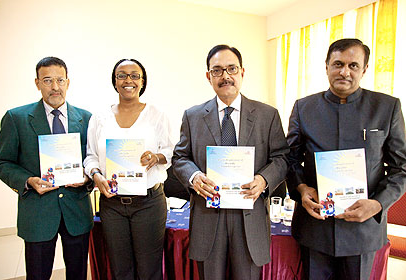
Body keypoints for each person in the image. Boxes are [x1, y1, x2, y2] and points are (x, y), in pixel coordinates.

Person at [286, 38, 406, 280]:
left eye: (353, 65)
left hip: (363, 230)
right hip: (314, 227)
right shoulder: (304, 107)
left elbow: (401, 168)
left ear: (364, 69)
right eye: (338, 64)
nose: (344, 71)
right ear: (327, 66)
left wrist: (378, 204)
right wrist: (301, 188)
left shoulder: (387, 107)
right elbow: (288, 158)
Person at [172, 44, 289, 280]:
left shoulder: (267, 115)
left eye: (231, 69)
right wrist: (194, 177)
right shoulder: (193, 116)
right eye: (217, 70)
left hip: (249, 216)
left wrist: (264, 179)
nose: (225, 76)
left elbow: (282, 157)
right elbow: (180, 158)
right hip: (208, 215)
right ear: (208, 76)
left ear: (242, 73)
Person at [0, 57, 93, 280]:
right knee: (38, 275)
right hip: (38, 213)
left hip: (76, 211)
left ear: (68, 82)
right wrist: (28, 181)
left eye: (60, 80)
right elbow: (0, 162)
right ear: (37, 83)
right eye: (47, 80)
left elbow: (93, 161)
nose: (55, 87)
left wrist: (87, 179)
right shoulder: (16, 118)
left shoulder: (87, 119)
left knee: (78, 274)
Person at [83, 58, 174, 280]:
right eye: (121, 75)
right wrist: (96, 176)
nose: (128, 80)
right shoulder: (100, 118)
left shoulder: (157, 115)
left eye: (135, 75)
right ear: (115, 82)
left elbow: (172, 151)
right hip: (112, 204)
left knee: (149, 270)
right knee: (120, 269)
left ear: (143, 81)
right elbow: (91, 157)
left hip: (148, 203)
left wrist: (156, 157)